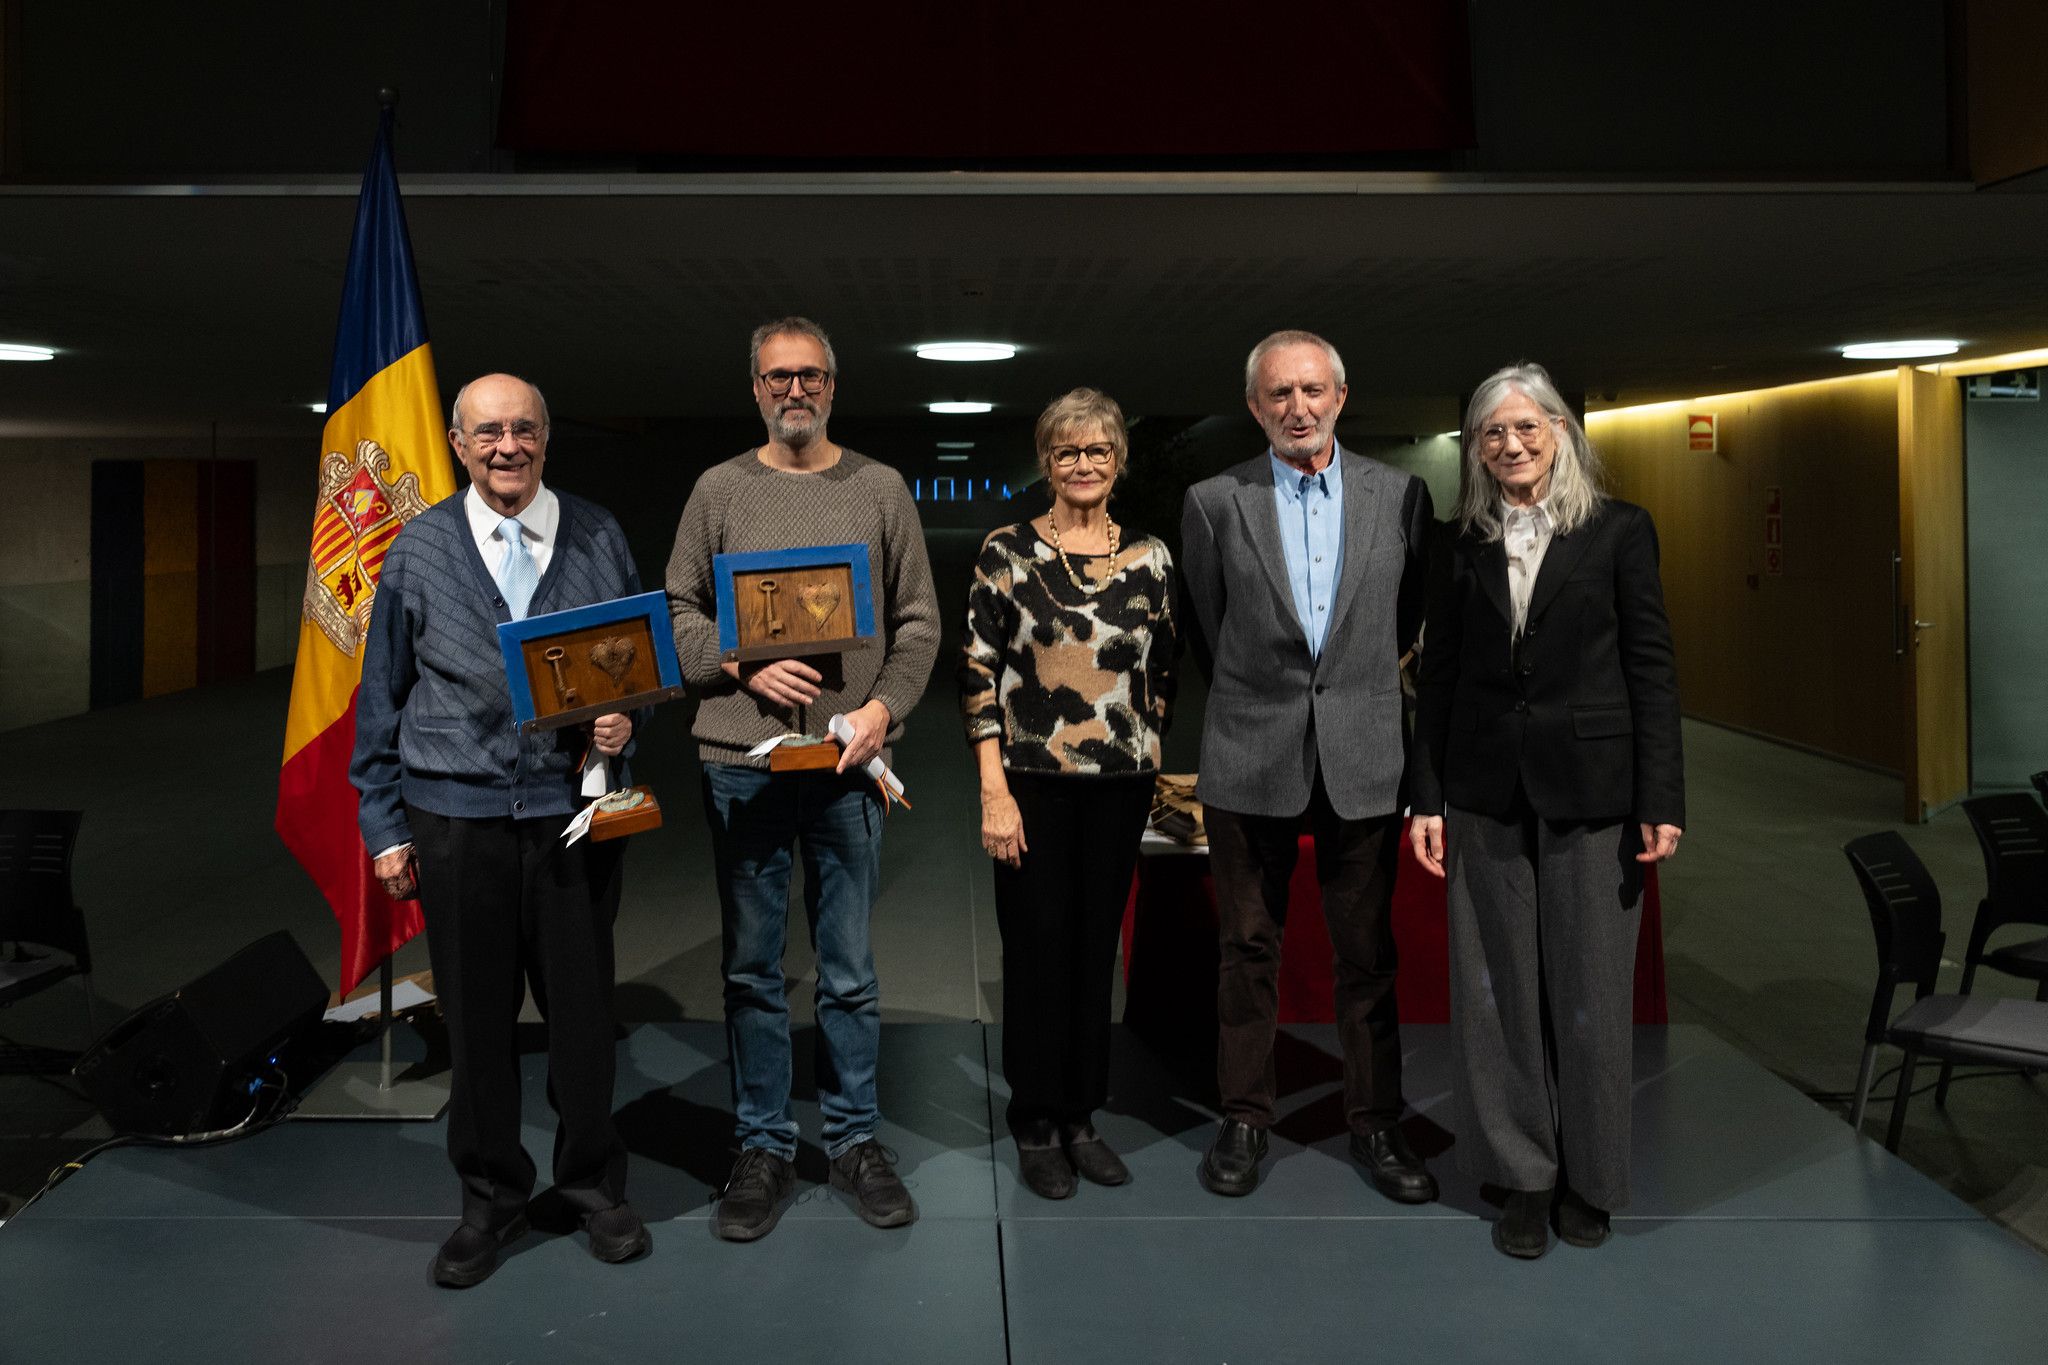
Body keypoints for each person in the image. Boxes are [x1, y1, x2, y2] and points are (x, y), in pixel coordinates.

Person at [352, 372, 650, 1288]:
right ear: (457, 441)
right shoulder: (418, 548)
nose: (507, 446)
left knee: (583, 1018)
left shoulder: (599, 535)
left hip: (572, 818)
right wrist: (383, 823)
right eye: (488, 433)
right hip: (455, 823)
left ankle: (591, 1182)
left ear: (546, 438)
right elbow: (381, 696)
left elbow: (639, 668)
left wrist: (626, 722)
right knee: (477, 1023)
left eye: (523, 429)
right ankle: (490, 1196)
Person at [666, 317, 940, 1241]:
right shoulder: (718, 491)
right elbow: (676, 612)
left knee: (851, 970)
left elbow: (918, 624)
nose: (796, 390)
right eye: (779, 376)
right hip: (740, 764)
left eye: (812, 376)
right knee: (751, 968)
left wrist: (881, 713)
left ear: (834, 386)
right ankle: (763, 1147)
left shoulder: (879, 488)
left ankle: (857, 1140)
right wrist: (741, 665)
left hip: (847, 764)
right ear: (755, 387)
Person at [1407, 361, 1684, 1260]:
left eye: (1528, 427)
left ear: (1561, 431)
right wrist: (1428, 795)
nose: (1511, 444)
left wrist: (1661, 797)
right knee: (1495, 995)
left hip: (1595, 793)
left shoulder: (1619, 532)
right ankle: (1522, 1174)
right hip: (1484, 790)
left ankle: (1591, 1179)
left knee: (1593, 995)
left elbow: (1651, 668)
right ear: (1476, 449)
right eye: (1493, 433)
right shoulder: (1456, 544)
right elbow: (1436, 679)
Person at [1179, 330, 1437, 1202]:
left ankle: (1377, 1121)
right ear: (1255, 406)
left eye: (1314, 391)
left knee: (1368, 954)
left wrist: (1346, 696)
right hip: (1250, 750)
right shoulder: (1215, 501)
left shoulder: (1400, 495)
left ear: (1341, 394)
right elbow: (1209, 631)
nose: (1299, 408)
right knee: (1247, 948)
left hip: (1364, 755)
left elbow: (1404, 624)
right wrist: (1273, 702)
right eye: (1279, 394)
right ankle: (1246, 1116)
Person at [958, 388, 1177, 1200]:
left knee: (1094, 955)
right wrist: (992, 790)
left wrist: (1146, 758)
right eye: (1066, 451)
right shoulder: (1006, 552)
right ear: (1046, 461)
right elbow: (977, 674)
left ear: (1118, 461)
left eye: (1098, 451)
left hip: (1119, 788)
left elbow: (1164, 672)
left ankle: (1083, 1115)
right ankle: (1036, 1120)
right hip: (1032, 787)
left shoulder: (1152, 556)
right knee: (1038, 952)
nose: (1083, 464)